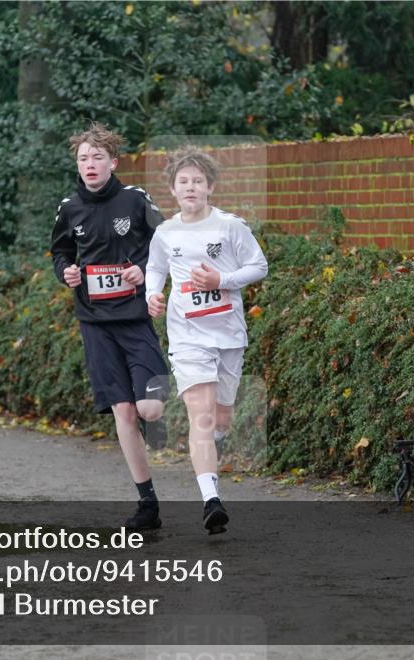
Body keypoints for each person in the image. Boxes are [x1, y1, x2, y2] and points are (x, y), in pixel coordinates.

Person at [50, 123, 170, 530]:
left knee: (148, 408)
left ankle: (155, 418)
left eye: (97, 157)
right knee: (122, 410)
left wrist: (141, 271)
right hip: (95, 322)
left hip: (134, 318)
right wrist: (65, 271)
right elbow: (61, 251)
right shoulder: (69, 207)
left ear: (112, 162)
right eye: (83, 159)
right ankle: (147, 505)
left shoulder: (135, 200)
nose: (90, 165)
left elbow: (167, 242)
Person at [145, 147, 268, 534]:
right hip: (187, 337)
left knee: (221, 417)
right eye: (184, 181)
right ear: (173, 189)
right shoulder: (165, 233)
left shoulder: (231, 227)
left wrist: (222, 281)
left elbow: (259, 265)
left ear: (210, 186)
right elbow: (155, 268)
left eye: (198, 181)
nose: (191, 187)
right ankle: (210, 500)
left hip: (228, 333)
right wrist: (152, 294)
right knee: (201, 414)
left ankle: (209, 447)